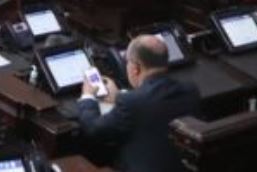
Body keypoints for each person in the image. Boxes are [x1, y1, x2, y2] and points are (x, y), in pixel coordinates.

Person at [77, 35, 200, 172]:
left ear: (135, 69)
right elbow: (152, 103)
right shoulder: (190, 90)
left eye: (127, 62)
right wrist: (119, 95)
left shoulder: (131, 102)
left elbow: (94, 128)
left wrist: (87, 96)